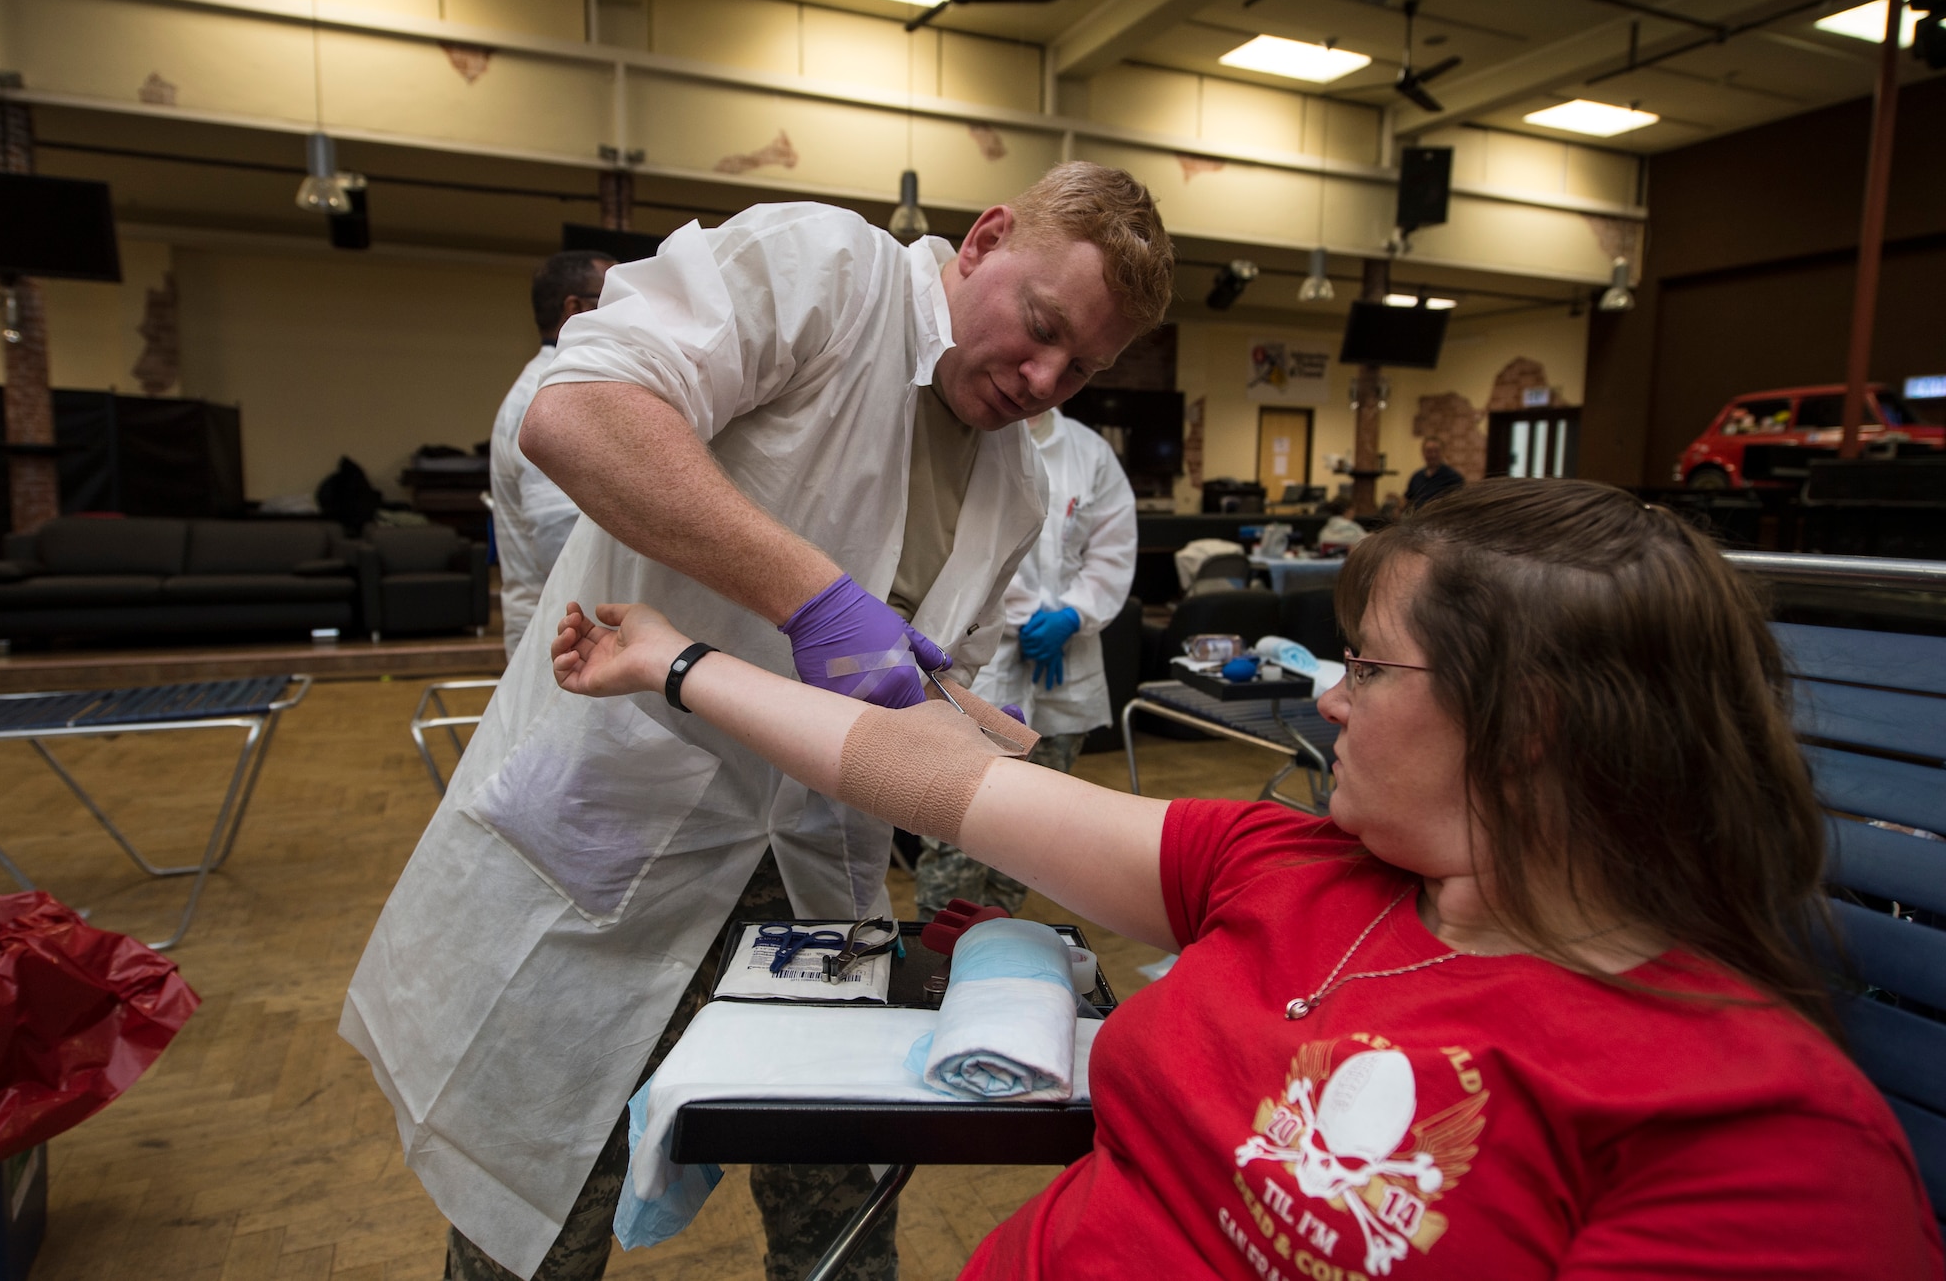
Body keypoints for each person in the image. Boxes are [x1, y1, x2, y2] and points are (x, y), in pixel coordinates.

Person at [552, 477, 1942, 1280]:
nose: (1326, 700)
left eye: (1370, 667)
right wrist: (675, 661)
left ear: (1529, 727)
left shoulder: (1755, 1133)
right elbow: (930, 774)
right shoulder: (1297, 864)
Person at [339, 163, 1175, 1281]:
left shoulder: (1015, 487)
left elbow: (921, 687)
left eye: (1083, 367)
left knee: (839, 1202)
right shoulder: (824, 272)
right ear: (981, 241)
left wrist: (967, 787)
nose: (1044, 378)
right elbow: (575, 410)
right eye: (1039, 330)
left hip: (817, 867)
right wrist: (813, 597)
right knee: (539, 1204)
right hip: (620, 822)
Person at [915, 405, 1136, 917]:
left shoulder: (1090, 452)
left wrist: (1073, 616)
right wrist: (1029, 614)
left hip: (1067, 663)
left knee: (1035, 828)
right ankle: (937, 954)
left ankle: (998, 942)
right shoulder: (957, 435)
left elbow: (1113, 550)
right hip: (977, 663)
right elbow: (957, 551)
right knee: (957, 823)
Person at [489, 250, 613, 659]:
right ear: (575, 308)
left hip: (575, 626)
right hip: (563, 630)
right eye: (614, 297)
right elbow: (560, 537)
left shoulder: (567, 384)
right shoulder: (550, 394)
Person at [1402, 435, 1465, 510]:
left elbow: (1458, 506)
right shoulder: (1416, 477)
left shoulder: (1454, 478)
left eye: (1436, 451)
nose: (1433, 455)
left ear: (1443, 452)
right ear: (1423, 453)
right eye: (1429, 451)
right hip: (1417, 520)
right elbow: (1407, 500)